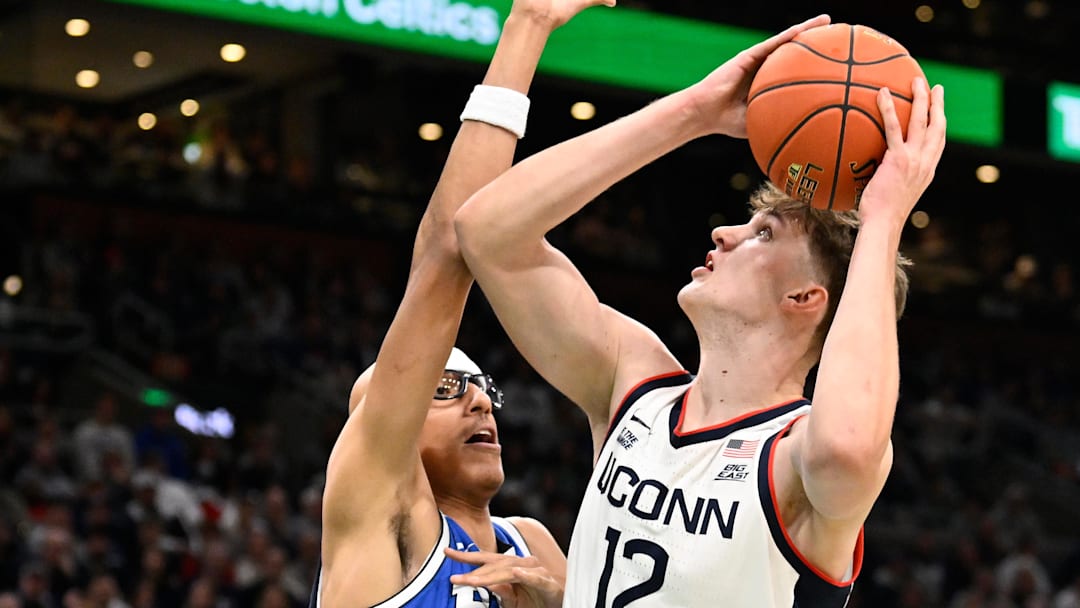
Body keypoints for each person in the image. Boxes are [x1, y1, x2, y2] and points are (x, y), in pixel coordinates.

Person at [454, 15, 947, 608]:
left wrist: (885, 220)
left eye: (764, 234)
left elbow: (847, 446)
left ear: (805, 299)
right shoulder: (634, 386)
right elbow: (487, 231)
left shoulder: (792, 459)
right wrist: (694, 112)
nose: (722, 233)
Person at [310, 0, 614, 606]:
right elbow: (449, 253)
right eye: (446, 388)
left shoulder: (532, 544)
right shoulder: (387, 510)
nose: (480, 400)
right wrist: (527, 28)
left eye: (481, 390)